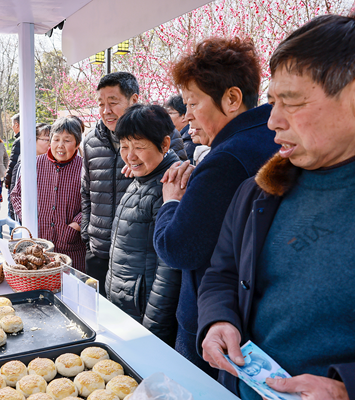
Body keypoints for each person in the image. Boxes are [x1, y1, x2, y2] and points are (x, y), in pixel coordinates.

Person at [198, 14, 355, 399]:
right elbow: (221, 273)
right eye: (272, 102)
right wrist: (218, 320)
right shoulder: (259, 192)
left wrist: (346, 388)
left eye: (293, 102)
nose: (273, 121)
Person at [152, 37, 280, 377]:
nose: (187, 114)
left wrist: (171, 202)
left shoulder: (225, 160)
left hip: (211, 327)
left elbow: (178, 249)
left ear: (232, 98)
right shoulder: (271, 138)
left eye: (193, 103)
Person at [106, 104, 181, 347]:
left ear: (165, 144)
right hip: (126, 308)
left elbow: (169, 271)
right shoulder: (141, 178)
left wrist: (153, 332)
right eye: (124, 147)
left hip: (143, 319)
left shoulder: (169, 189)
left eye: (139, 146)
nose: (130, 155)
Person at [81, 72, 137, 295]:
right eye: (101, 104)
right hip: (98, 251)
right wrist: (88, 235)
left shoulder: (157, 135)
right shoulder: (91, 141)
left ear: (133, 101)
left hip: (135, 255)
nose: (106, 111)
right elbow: (86, 191)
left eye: (113, 103)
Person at [11, 117, 85, 270]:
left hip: (71, 248)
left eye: (67, 140)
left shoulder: (84, 168)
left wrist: (75, 226)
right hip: (39, 248)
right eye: (56, 139)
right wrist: (29, 218)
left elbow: (93, 202)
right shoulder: (35, 163)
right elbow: (16, 195)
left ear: (77, 144)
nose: (60, 145)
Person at [10, 123, 51, 222]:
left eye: (53, 139)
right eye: (46, 140)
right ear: (33, 140)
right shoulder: (24, 165)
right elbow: (15, 198)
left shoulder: (54, 164)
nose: (51, 144)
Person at [165, 95, 196, 162]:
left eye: (170, 113)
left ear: (184, 116)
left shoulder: (189, 144)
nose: (167, 117)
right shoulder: (182, 139)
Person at [5, 113, 21, 220]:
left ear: (16, 125)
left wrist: (7, 182)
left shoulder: (18, 141)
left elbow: (12, 165)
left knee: (12, 214)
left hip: (16, 183)